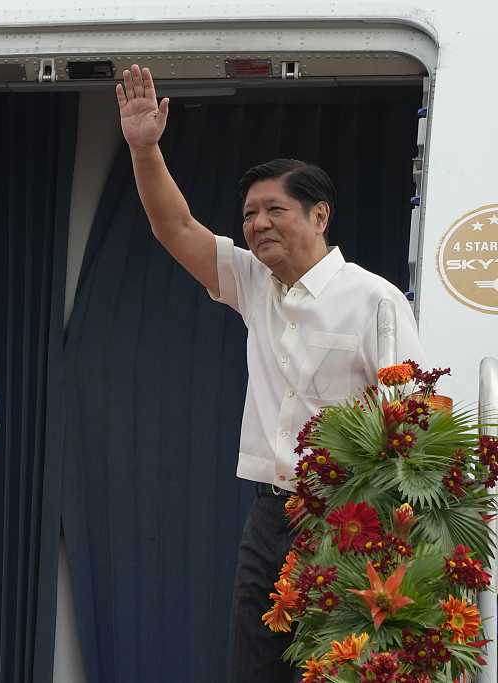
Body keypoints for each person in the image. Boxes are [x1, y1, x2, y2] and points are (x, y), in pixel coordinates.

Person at [116, 65, 428, 682]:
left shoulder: (375, 300)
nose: (258, 224)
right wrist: (145, 148)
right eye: (250, 213)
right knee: (254, 665)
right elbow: (173, 227)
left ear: (320, 215)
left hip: (349, 514)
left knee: (336, 668)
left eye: (275, 209)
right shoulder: (254, 284)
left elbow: (411, 423)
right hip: (270, 513)